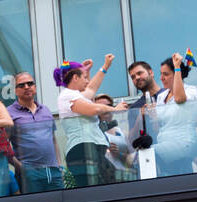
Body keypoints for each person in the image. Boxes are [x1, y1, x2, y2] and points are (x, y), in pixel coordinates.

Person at [55, 56, 127, 187]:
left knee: (110, 183)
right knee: (95, 190)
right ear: (75, 78)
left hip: (92, 149)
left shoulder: (75, 95)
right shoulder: (66, 96)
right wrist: (114, 109)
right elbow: (94, 109)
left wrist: (105, 67)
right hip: (82, 149)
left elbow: (91, 89)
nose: (87, 81)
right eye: (84, 77)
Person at [7, 72, 65, 193]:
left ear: (35, 87)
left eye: (30, 83)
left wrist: (59, 165)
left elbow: (53, 139)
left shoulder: (45, 109)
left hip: (53, 170)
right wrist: (20, 167)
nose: (26, 87)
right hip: (29, 172)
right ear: (15, 91)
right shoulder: (8, 113)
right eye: (21, 85)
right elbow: (3, 144)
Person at [151, 52, 197, 177]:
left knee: (148, 153)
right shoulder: (161, 96)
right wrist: (151, 115)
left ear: (178, 74)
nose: (161, 78)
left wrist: (177, 66)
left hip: (184, 144)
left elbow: (179, 99)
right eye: (161, 74)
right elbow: (157, 128)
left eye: (166, 74)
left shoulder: (191, 90)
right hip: (165, 147)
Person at [94, 94, 134, 181]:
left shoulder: (121, 132)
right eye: (101, 106)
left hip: (124, 177)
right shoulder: (95, 133)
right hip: (106, 178)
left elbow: (132, 158)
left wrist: (119, 154)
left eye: (108, 106)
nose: (105, 109)